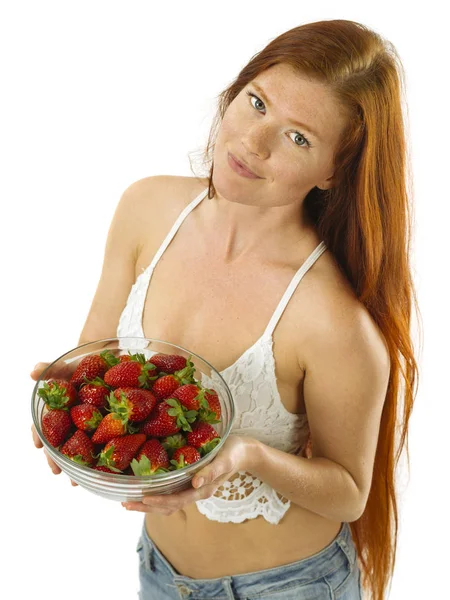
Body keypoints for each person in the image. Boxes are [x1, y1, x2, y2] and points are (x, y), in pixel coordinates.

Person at [31, 19, 420, 600]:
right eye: (256, 103)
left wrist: (249, 456)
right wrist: (69, 405)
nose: (253, 143)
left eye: (298, 139)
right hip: (161, 574)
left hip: (289, 587)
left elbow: (349, 490)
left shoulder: (332, 322)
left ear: (335, 172)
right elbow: (100, 352)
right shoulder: (146, 209)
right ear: (232, 93)